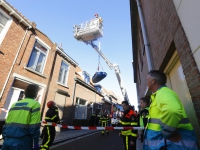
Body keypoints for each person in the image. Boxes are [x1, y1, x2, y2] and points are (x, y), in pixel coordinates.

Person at [144, 70, 198, 150]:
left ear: (153, 81)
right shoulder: (159, 94)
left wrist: (167, 133)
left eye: (147, 79)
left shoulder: (163, 93)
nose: (146, 82)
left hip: (173, 145)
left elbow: (172, 110)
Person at [2, 84, 41, 150]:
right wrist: (36, 143)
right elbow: (34, 127)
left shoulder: (14, 104)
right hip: (22, 141)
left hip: (7, 140)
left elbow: (7, 122)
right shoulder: (35, 104)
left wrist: (5, 136)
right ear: (36, 94)